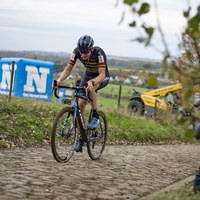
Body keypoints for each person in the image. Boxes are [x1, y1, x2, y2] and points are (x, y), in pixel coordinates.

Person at [52, 35, 110, 151]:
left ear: (91, 49)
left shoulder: (99, 53)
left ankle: (95, 114)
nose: (83, 54)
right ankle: (83, 137)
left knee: (91, 87)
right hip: (88, 75)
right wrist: (58, 81)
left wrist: (93, 82)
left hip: (101, 77)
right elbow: (68, 69)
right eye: (81, 51)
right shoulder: (76, 52)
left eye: (86, 52)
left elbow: (102, 75)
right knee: (80, 103)